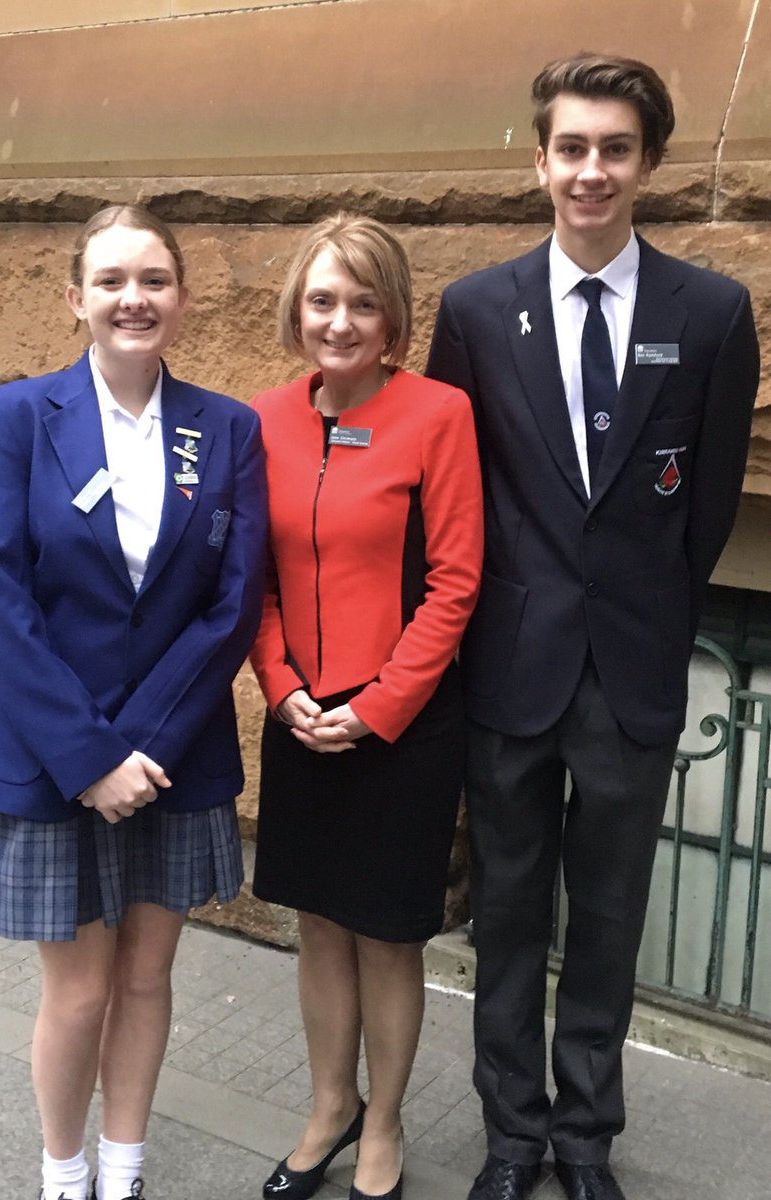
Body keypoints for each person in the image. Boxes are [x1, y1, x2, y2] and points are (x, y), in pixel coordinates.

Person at [426, 54, 760, 1200]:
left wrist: (645, 609)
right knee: (507, 914)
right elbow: (452, 494)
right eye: (572, 147)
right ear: (540, 159)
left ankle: (584, 1143)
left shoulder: (711, 312)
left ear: (650, 164)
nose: (592, 171)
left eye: (615, 149)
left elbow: (706, 505)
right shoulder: (475, 310)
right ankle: (513, 1137)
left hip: (631, 673)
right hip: (510, 666)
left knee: (609, 920)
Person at [0, 204, 268, 1200]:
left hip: (171, 755)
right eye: (110, 281)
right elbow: (2, 600)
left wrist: (135, 750)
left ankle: (126, 1168)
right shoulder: (13, 418)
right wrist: (90, 756)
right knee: (82, 990)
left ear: (180, 297)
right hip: (56, 755)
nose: (132, 298)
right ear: (76, 300)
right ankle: (64, 1174)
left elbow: (232, 606)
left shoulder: (226, 429)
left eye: (152, 279)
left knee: (146, 978)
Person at [249, 213, 483, 1200]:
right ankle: (328, 1106)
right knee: (318, 924)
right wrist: (284, 687)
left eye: (361, 302)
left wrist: (377, 707)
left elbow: (457, 584)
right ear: (296, 309)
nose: (339, 320)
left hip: (401, 726)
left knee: (387, 933)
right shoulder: (261, 418)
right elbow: (247, 580)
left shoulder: (438, 413)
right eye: (322, 300)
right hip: (302, 714)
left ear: (392, 317)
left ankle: (382, 1125)